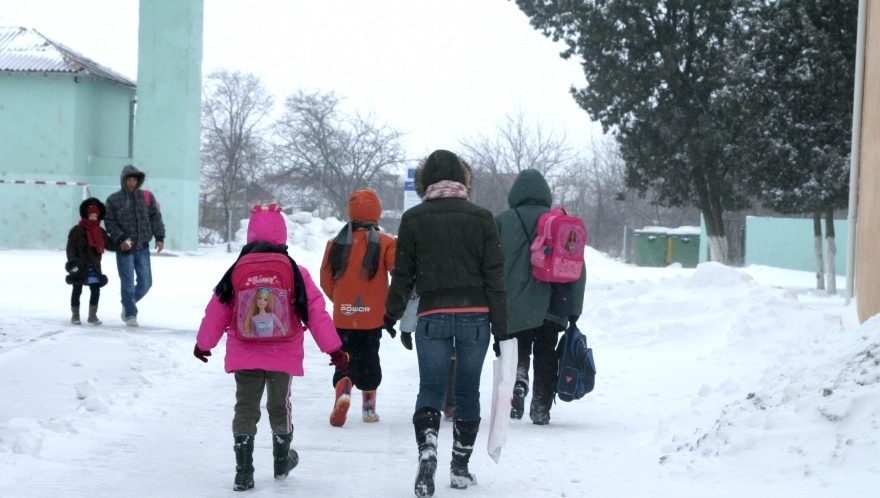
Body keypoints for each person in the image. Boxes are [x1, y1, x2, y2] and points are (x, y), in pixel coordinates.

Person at [193, 205, 349, 492]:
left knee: (246, 407)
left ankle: (243, 471)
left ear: (251, 233)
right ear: (282, 234)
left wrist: (204, 344)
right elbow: (316, 312)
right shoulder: (294, 270)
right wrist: (334, 349)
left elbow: (218, 309)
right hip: (282, 352)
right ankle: (281, 461)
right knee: (280, 405)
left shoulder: (237, 270)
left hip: (245, 351)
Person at [384, 149, 509, 497]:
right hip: (475, 316)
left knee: (431, 388)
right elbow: (494, 276)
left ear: (427, 181)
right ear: (462, 179)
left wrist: (392, 315)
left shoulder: (413, 218)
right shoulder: (482, 217)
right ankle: (459, 468)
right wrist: (501, 327)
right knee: (467, 390)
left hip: (432, 315)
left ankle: (427, 449)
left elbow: (403, 275)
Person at [494, 168, 586, 425]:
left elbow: (489, 264)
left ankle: (519, 381)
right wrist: (574, 309)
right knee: (546, 355)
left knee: (519, 348)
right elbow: (579, 266)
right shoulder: (560, 222)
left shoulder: (502, 221)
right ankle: (541, 408)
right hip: (553, 303)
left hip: (515, 304)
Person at [319, 190, 396, 426]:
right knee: (370, 358)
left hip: (344, 317)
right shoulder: (386, 243)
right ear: (377, 214)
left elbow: (325, 279)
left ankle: (343, 392)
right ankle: (369, 407)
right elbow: (398, 271)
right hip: (372, 318)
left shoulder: (335, 243)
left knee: (344, 359)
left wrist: (341, 302)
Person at [104, 164, 165, 327]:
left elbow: (155, 218)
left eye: (134, 180)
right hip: (125, 248)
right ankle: (131, 314)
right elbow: (109, 223)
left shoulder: (146, 197)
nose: (131, 183)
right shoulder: (114, 199)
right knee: (128, 282)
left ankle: (127, 303)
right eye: (129, 180)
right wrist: (121, 239)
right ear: (123, 180)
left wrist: (160, 237)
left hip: (143, 246)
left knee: (146, 283)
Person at [400, 294, 456, 421]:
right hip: (467, 320)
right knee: (457, 368)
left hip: (433, 321)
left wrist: (406, 328)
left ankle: (429, 412)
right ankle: (452, 404)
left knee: (432, 378)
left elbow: (416, 298)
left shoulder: (428, 274)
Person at [65, 198, 119, 325]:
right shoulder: (77, 230)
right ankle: (75, 315)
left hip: (93, 267)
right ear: (86, 215)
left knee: (95, 289)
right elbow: (70, 249)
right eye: (91, 215)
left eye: (95, 216)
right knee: (77, 289)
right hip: (79, 266)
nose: (93, 218)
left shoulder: (100, 231)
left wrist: (123, 246)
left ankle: (92, 315)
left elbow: (110, 244)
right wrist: (72, 264)